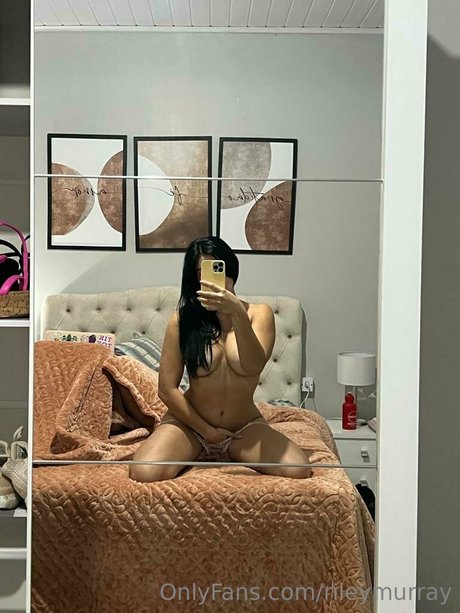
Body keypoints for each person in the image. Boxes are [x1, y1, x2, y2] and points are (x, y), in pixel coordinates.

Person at [129, 236, 311, 482]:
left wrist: (236, 312)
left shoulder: (259, 314)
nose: (213, 278)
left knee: (298, 469)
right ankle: (198, 448)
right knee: (144, 472)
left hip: (243, 428)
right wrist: (207, 432)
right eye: (202, 272)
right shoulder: (183, 321)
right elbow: (167, 389)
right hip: (191, 426)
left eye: (218, 268)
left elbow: (254, 365)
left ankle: (232, 451)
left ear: (231, 268)